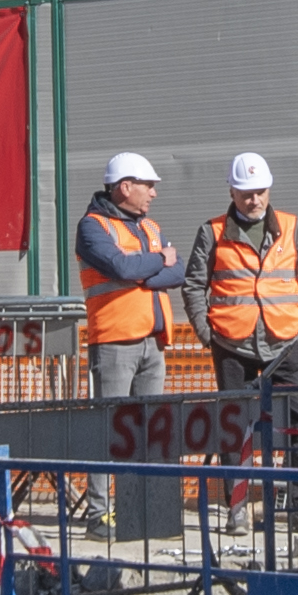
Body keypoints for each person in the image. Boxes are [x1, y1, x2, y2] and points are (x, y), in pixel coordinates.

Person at [74, 148, 192, 536]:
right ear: (125, 187)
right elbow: (122, 267)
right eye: (147, 186)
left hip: (152, 343)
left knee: (151, 430)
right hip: (114, 343)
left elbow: (178, 273)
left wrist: (148, 268)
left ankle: (144, 509)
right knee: (109, 428)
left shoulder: (150, 228)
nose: (153, 193)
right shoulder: (93, 227)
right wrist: (156, 261)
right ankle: (99, 514)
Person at [200, 150, 298, 446]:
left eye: (260, 192)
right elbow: (193, 284)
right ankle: (236, 494)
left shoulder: (291, 227)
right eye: (247, 194)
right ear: (232, 192)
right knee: (232, 426)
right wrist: (207, 334)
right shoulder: (211, 232)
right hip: (231, 344)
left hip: (286, 343)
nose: (255, 200)